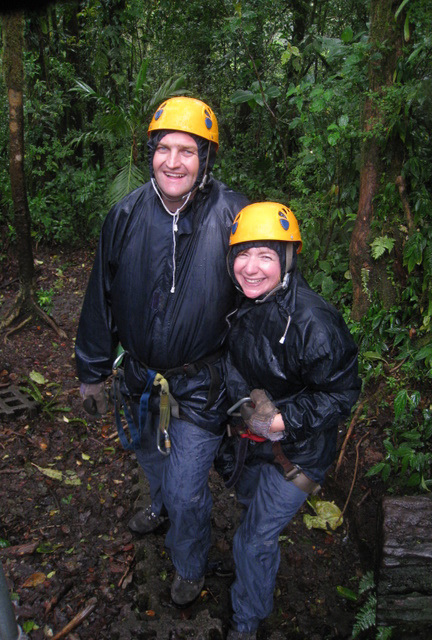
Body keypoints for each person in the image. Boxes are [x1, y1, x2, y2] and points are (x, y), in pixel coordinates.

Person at [75, 96, 249, 607]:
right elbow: (99, 298)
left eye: (187, 151)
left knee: (188, 488)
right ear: (151, 152)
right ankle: (159, 505)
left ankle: (190, 563)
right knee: (151, 458)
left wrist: (263, 382)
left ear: (206, 159)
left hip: (201, 384)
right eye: (164, 149)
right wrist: (92, 369)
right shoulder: (125, 215)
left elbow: (265, 296)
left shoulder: (233, 214)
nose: (173, 162)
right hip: (140, 378)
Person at [217, 202, 361, 640]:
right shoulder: (241, 303)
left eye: (266, 255)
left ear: (288, 259)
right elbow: (233, 360)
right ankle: (250, 573)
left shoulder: (313, 323)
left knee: (256, 537)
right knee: (248, 515)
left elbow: (342, 393)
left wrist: (283, 420)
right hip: (253, 442)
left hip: (298, 452)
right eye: (243, 254)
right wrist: (245, 405)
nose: (252, 267)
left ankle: (247, 621)